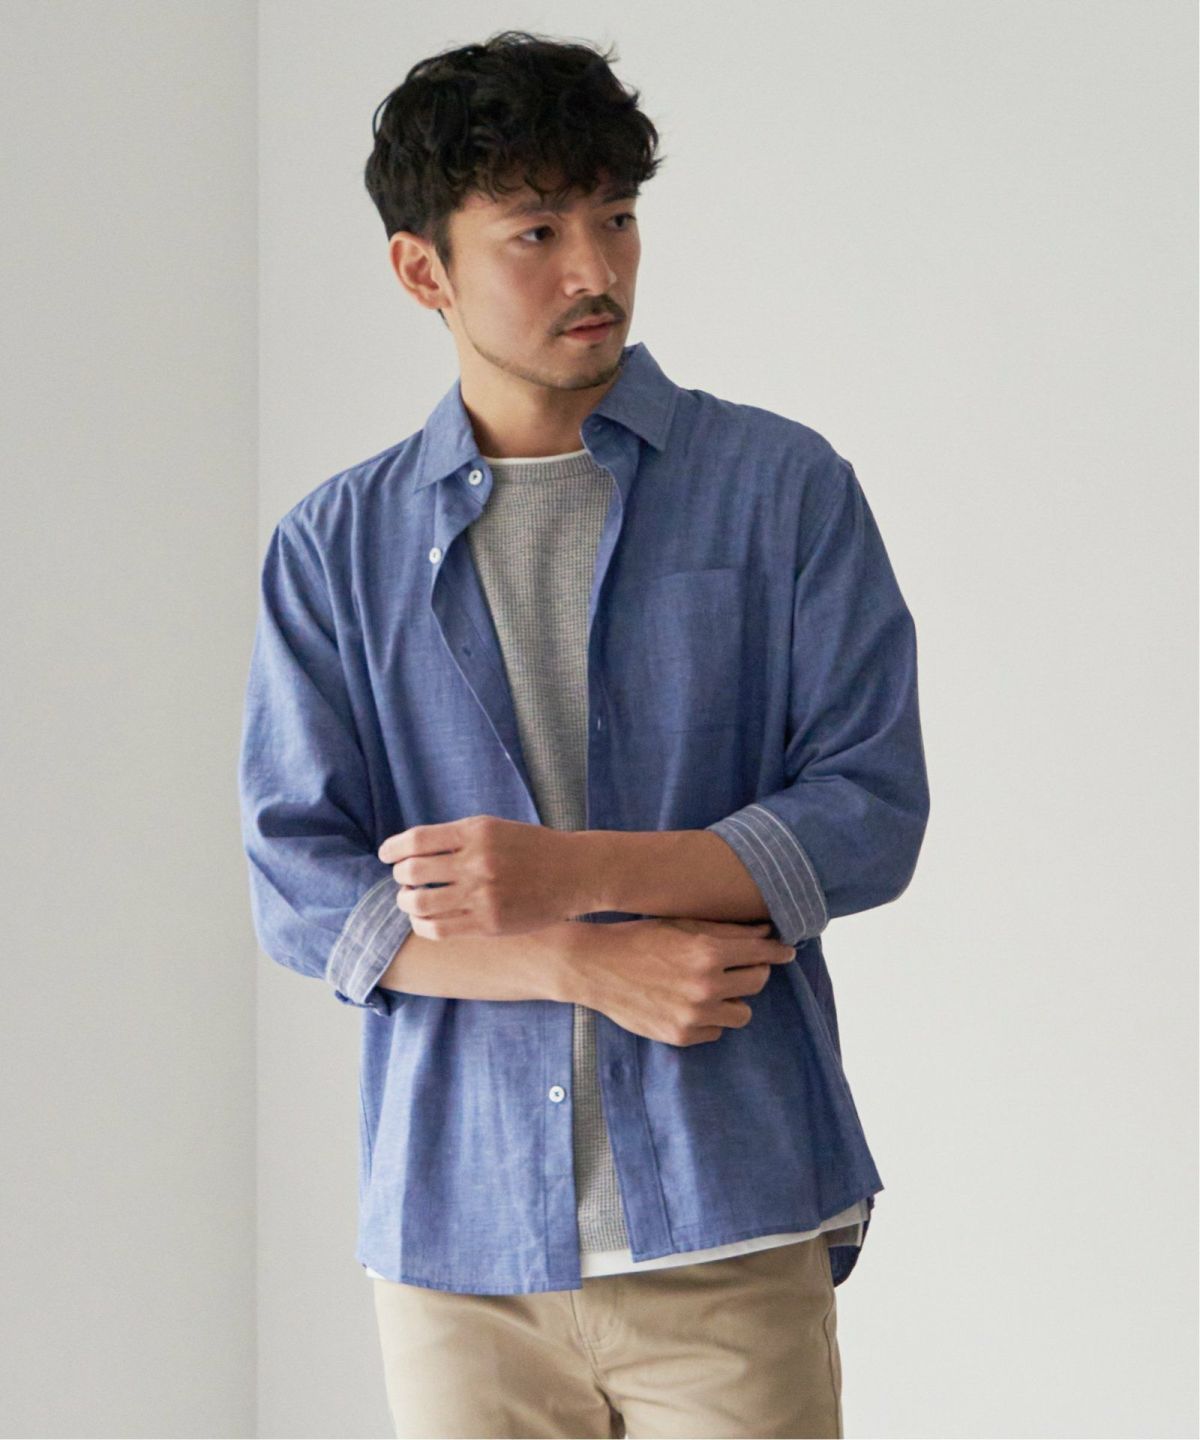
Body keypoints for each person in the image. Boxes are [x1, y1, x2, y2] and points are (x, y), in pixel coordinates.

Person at [238, 27, 930, 1440]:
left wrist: (572, 872)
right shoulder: (336, 547)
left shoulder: (781, 488)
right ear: (423, 270)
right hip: (459, 1247)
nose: (594, 270)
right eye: (536, 232)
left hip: (731, 1211)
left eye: (615, 218)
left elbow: (869, 809)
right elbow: (300, 884)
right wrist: (573, 958)